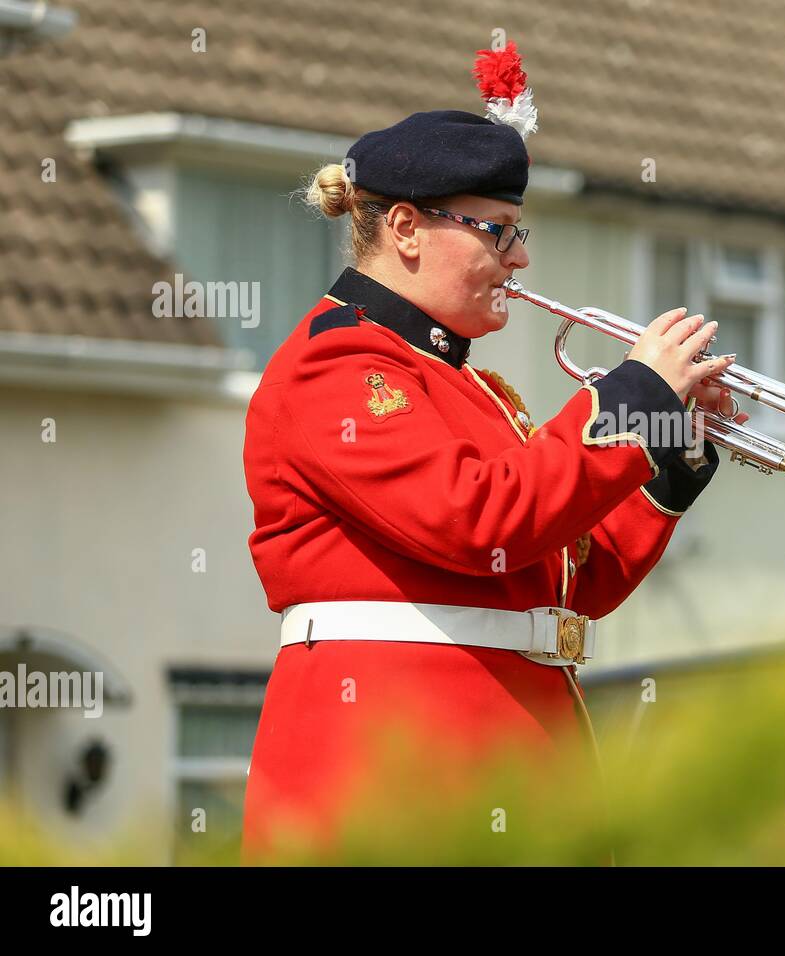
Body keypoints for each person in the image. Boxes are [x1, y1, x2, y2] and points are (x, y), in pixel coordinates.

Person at [239, 45, 740, 860]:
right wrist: (632, 396)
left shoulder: (472, 388)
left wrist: (672, 444)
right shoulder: (337, 365)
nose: (520, 259)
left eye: (518, 231)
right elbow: (480, 519)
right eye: (496, 232)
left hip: (503, 771)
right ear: (404, 228)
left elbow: (577, 575)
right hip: (394, 769)